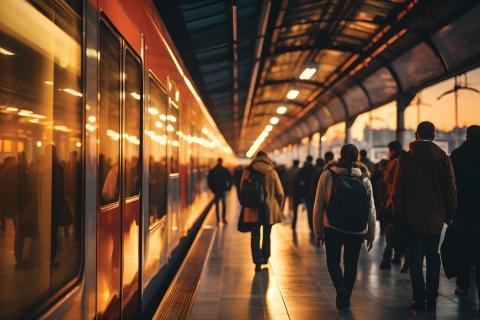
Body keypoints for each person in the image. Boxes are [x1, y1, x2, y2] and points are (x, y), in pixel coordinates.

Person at [392, 121, 456, 311]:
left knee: (415, 260)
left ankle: (418, 298)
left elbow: (397, 190)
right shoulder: (444, 159)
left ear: (416, 135)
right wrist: (449, 216)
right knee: (433, 257)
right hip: (436, 218)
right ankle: (432, 297)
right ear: (434, 137)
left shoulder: (405, 159)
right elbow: (451, 190)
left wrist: (397, 215)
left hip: (411, 217)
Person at [313, 144, 375, 310]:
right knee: (351, 264)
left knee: (333, 261)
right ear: (357, 158)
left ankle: (340, 288)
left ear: (339, 155)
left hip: (332, 227)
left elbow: (318, 205)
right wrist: (371, 233)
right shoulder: (364, 179)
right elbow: (371, 209)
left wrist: (318, 232)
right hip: (357, 229)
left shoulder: (327, 175)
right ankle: (345, 296)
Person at [241, 151, 284, 272]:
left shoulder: (248, 170)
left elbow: (242, 189)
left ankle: (257, 262)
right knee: (267, 235)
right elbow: (280, 193)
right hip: (268, 210)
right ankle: (265, 257)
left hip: (252, 209)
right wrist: (279, 208)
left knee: (254, 236)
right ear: (266, 158)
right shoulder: (272, 171)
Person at [450, 125, 480, 298]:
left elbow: (451, 184)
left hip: (462, 210)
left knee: (464, 249)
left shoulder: (457, 155)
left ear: (467, 136)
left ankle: (463, 284)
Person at [380, 141, 408, 271]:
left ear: (392, 150)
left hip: (393, 202)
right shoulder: (408, 159)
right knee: (405, 232)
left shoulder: (395, 161)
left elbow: (387, 179)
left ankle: (386, 259)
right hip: (407, 203)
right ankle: (402, 258)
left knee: (391, 231)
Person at [293, 155, 315, 235]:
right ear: (312, 160)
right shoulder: (314, 169)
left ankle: (294, 224)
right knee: (311, 211)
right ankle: (312, 228)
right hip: (311, 193)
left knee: (297, 209)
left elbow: (298, 182)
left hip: (303, 193)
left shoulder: (302, 169)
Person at [207, 158, 232, 224]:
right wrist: (229, 188)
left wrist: (212, 189)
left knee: (217, 205)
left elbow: (209, 181)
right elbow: (230, 179)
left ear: (217, 162)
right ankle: (223, 219)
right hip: (223, 190)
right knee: (224, 205)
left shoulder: (213, 170)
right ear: (221, 162)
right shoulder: (225, 170)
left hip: (216, 191)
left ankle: (218, 220)